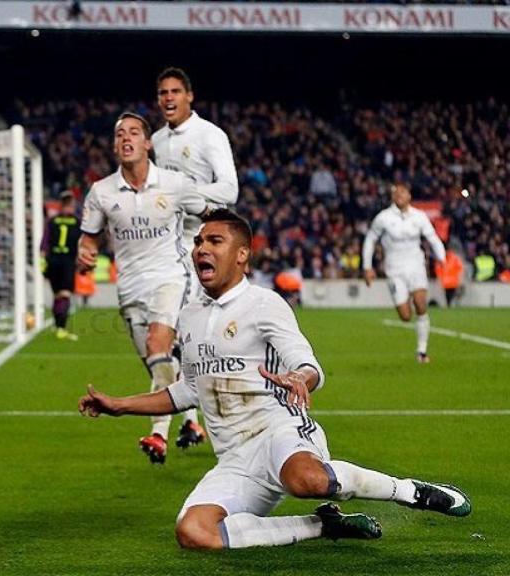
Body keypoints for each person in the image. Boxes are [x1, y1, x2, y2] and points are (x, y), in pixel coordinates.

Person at [78, 209, 471, 550]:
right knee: (194, 533)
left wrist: (300, 377)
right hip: (234, 458)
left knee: (308, 480)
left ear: (242, 254)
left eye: (215, 240)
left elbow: (309, 364)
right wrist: (120, 405)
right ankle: (321, 525)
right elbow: (189, 390)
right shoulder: (190, 315)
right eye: (198, 241)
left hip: (279, 432)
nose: (201, 249)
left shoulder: (264, 304)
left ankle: (409, 491)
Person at [77, 112, 208, 465]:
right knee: (158, 362)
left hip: (171, 278)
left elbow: (209, 213)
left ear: (148, 143)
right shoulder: (101, 192)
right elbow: (88, 238)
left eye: (134, 132)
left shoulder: (175, 184)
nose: (126, 138)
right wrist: (85, 255)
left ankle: (158, 434)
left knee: (157, 345)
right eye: (120, 134)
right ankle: (193, 422)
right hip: (130, 289)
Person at [152, 66, 239, 450]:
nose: (168, 98)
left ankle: (179, 426)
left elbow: (230, 189)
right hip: (163, 249)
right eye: (162, 93)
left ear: (189, 96)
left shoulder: (209, 135)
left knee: (193, 339)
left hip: (202, 249)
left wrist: (187, 194)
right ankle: (189, 421)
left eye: (175, 91)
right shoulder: (156, 140)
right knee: (168, 342)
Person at [362, 183, 445, 363]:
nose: (399, 195)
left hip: (416, 265)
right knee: (406, 316)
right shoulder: (383, 218)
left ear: (409, 195)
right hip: (394, 269)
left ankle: (422, 351)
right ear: (392, 197)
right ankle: (405, 299)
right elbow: (370, 240)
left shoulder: (419, 216)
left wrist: (442, 257)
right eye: (396, 193)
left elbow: (432, 237)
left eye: (402, 192)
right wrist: (367, 267)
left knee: (421, 304)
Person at [42, 191, 82, 340]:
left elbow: (44, 243)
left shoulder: (52, 221)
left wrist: (43, 263)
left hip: (52, 260)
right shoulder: (77, 222)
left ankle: (56, 324)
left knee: (57, 294)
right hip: (67, 261)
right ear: (71, 205)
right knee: (64, 294)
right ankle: (62, 328)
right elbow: (81, 243)